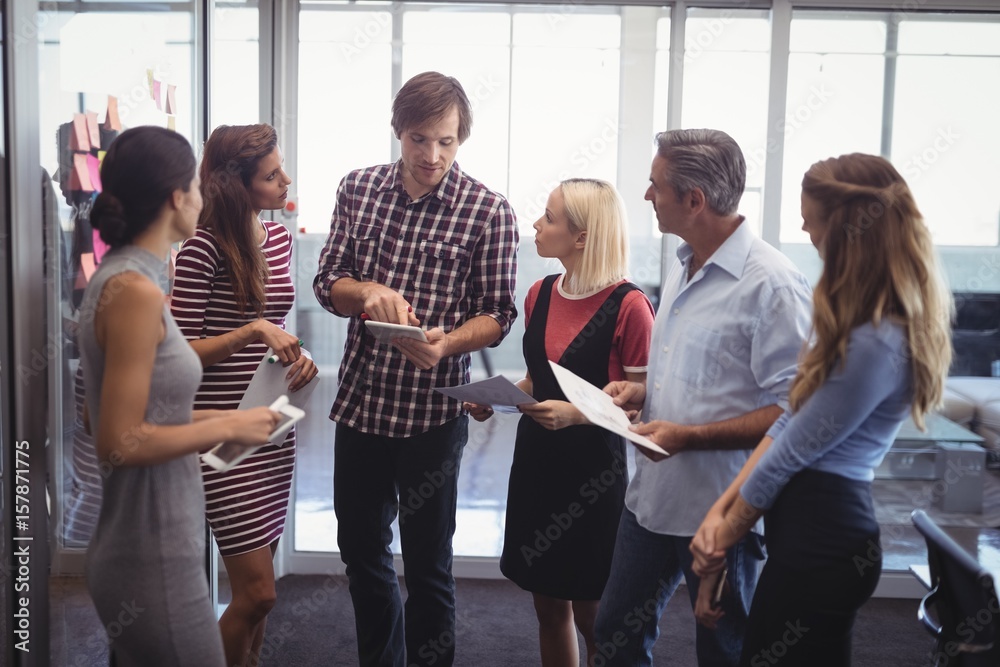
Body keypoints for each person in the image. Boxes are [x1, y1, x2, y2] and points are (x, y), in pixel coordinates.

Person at [690, 153, 952, 666]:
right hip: (807, 531)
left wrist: (720, 540)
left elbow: (790, 455)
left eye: (812, 221)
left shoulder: (878, 338)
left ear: (852, 228)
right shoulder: (855, 323)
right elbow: (788, 421)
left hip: (827, 541)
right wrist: (720, 511)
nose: (804, 229)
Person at [312, 71, 518, 667]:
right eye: (419, 139)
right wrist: (368, 290)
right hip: (361, 406)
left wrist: (448, 343)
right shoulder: (358, 188)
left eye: (447, 142)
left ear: (462, 139)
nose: (432, 155)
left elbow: (499, 313)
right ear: (398, 132)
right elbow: (327, 283)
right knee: (361, 554)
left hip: (432, 415)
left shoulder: (487, 210)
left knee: (429, 568)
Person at [592, 129, 814, 667]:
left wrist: (687, 437)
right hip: (651, 499)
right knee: (615, 632)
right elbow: (701, 376)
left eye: (655, 185)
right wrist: (643, 391)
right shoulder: (683, 260)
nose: (647, 195)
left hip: (723, 510)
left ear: (695, 200)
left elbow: (795, 412)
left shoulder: (774, 286)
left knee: (727, 649)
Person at [79, 125, 279, 666]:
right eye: (196, 184)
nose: (203, 194)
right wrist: (227, 427)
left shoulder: (129, 278)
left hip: (159, 542)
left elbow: (147, 411)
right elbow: (116, 437)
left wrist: (236, 414)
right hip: (150, 556)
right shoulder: (134, 292)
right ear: (175, 198)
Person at [465, 179, 654, 666]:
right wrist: (498, 398)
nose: (536, 224)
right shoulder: (540, 293)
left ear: (582, 237)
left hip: (593, 474)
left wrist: (577, 415)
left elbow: (642, 403)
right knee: (547, 605)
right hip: (537, 464)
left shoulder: (630, 306)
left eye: (548, 217)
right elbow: (536, 379)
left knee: (596, 615)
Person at [170, 123, 318, 667]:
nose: (286, 182)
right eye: (272, 175)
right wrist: (254, 330)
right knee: (259, 592)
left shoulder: (277, 237)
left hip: (271, 420)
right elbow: (178, 352)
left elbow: (277, 327)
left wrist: (297, 356)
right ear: (236, 184)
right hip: (220, 433)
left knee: (257, 600)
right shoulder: (201, 248)